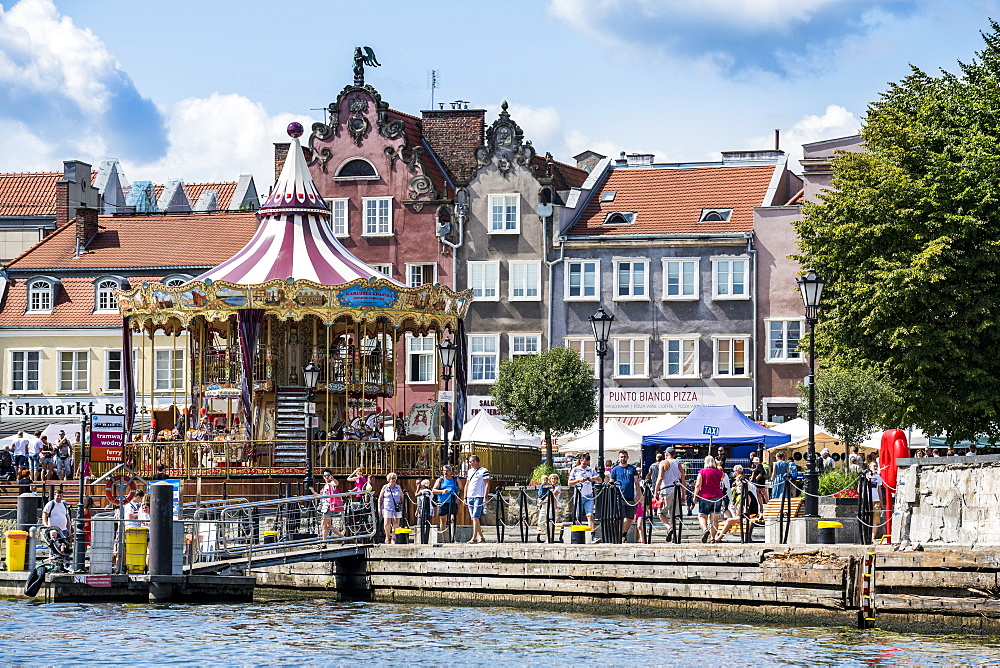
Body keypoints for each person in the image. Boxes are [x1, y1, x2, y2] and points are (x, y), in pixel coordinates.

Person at [654, 448, 686, 540]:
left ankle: (669, 527)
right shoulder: (679, 464)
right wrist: (683, 494)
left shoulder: (663, 463)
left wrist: (655, 491)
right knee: (674, 514)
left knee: (661, 513)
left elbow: (660, 478)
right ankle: (673, 536)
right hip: (676, 491)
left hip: (665, 491)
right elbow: (683, 480)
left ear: (667, 454)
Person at [694, 455, 727, 543]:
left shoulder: (702, 472)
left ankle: (705, 529)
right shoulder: (719, 472)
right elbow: (723, 476)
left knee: (702, 516)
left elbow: (698, 485)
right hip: (717, 496)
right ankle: (713, 538)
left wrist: (695, 495)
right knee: (714, 519)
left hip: (705, 496)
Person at [609, 450, 640, 542]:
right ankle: (621, 535)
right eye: (621, 457)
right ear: (619, 458)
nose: (623, 458)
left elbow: (636, 481)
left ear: (627, 457)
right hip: (619, 497)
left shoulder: (632, 468)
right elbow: (612, 482)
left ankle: (624, 533)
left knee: (630, 518)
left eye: (624, 457)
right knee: (621, 517)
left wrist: (638, 492)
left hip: (630, 496)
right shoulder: (615, 469)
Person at [568, 453, 600, 536]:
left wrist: (593, 478)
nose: (585, 465)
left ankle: (592, 535)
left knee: (590, 516)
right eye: (584, 463)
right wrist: (578, 480)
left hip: (589, 495)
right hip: (579, 495)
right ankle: (577, 534)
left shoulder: (591, 470)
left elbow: (600, 480)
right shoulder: (575, 470)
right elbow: (569, 483)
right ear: (581, 461)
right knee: (577, 516)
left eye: (587, 464)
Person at [311, 469, 345, 541]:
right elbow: (322, 497)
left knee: (323, 524)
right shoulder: (325, 485)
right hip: (325, 506)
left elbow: (336, 483)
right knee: (328, 525)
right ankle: (343, 537)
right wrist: (314, 492)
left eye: (328, 475)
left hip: (329, 506)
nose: (326, 477)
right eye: (325, 475)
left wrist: (333, 479)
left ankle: (324, 543)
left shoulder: (332, 483)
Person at [464, 455, 490, 544]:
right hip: (470, 495)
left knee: (475, 516)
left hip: (478, 496)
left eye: (471, 461)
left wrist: (485, 497)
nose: (470, 463)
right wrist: (465, 497)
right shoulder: (469, 471)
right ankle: (482, 537)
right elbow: (467, 484)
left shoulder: (484, 471)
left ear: (476, 461)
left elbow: (487, 484)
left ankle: (474, 538)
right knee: (474, 518)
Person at [432, 465, 461, 539]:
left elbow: (461, 489)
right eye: (444, 470)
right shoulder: (440, 480)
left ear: (451, 472)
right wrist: (442, 491)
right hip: (442, 501)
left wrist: (459, 498)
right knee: (443, 520)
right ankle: (443, 538)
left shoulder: (455, 479)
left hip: (453, 502)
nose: (445, 472)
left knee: (452, 519)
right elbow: (434, 490)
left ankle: (452, 537)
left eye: (447, 471)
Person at [378, 472, 403, 544]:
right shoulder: (385, 487)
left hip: (396, 508)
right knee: (386, 523)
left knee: (396, 523)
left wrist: (403, 506)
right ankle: (387, 536)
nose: (394, 480)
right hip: (387, 507)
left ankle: (394, 537)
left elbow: (402, 497)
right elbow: (380, 498)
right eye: (392, 478)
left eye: (395, 478)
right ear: (388, 479)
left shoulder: (398, 487)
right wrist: (379, 507)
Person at [536, 474, 561, 542]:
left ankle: (550, 538)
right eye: (552, 478)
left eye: (555, 478)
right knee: (540, 522)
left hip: (551, 506)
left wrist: (542, 501)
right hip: (544, 505)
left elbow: (551, 497)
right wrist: (540, 500)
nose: (553, 480)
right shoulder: (547, 487)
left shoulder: (557, 488)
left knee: (550, 522)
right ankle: (548, 534)